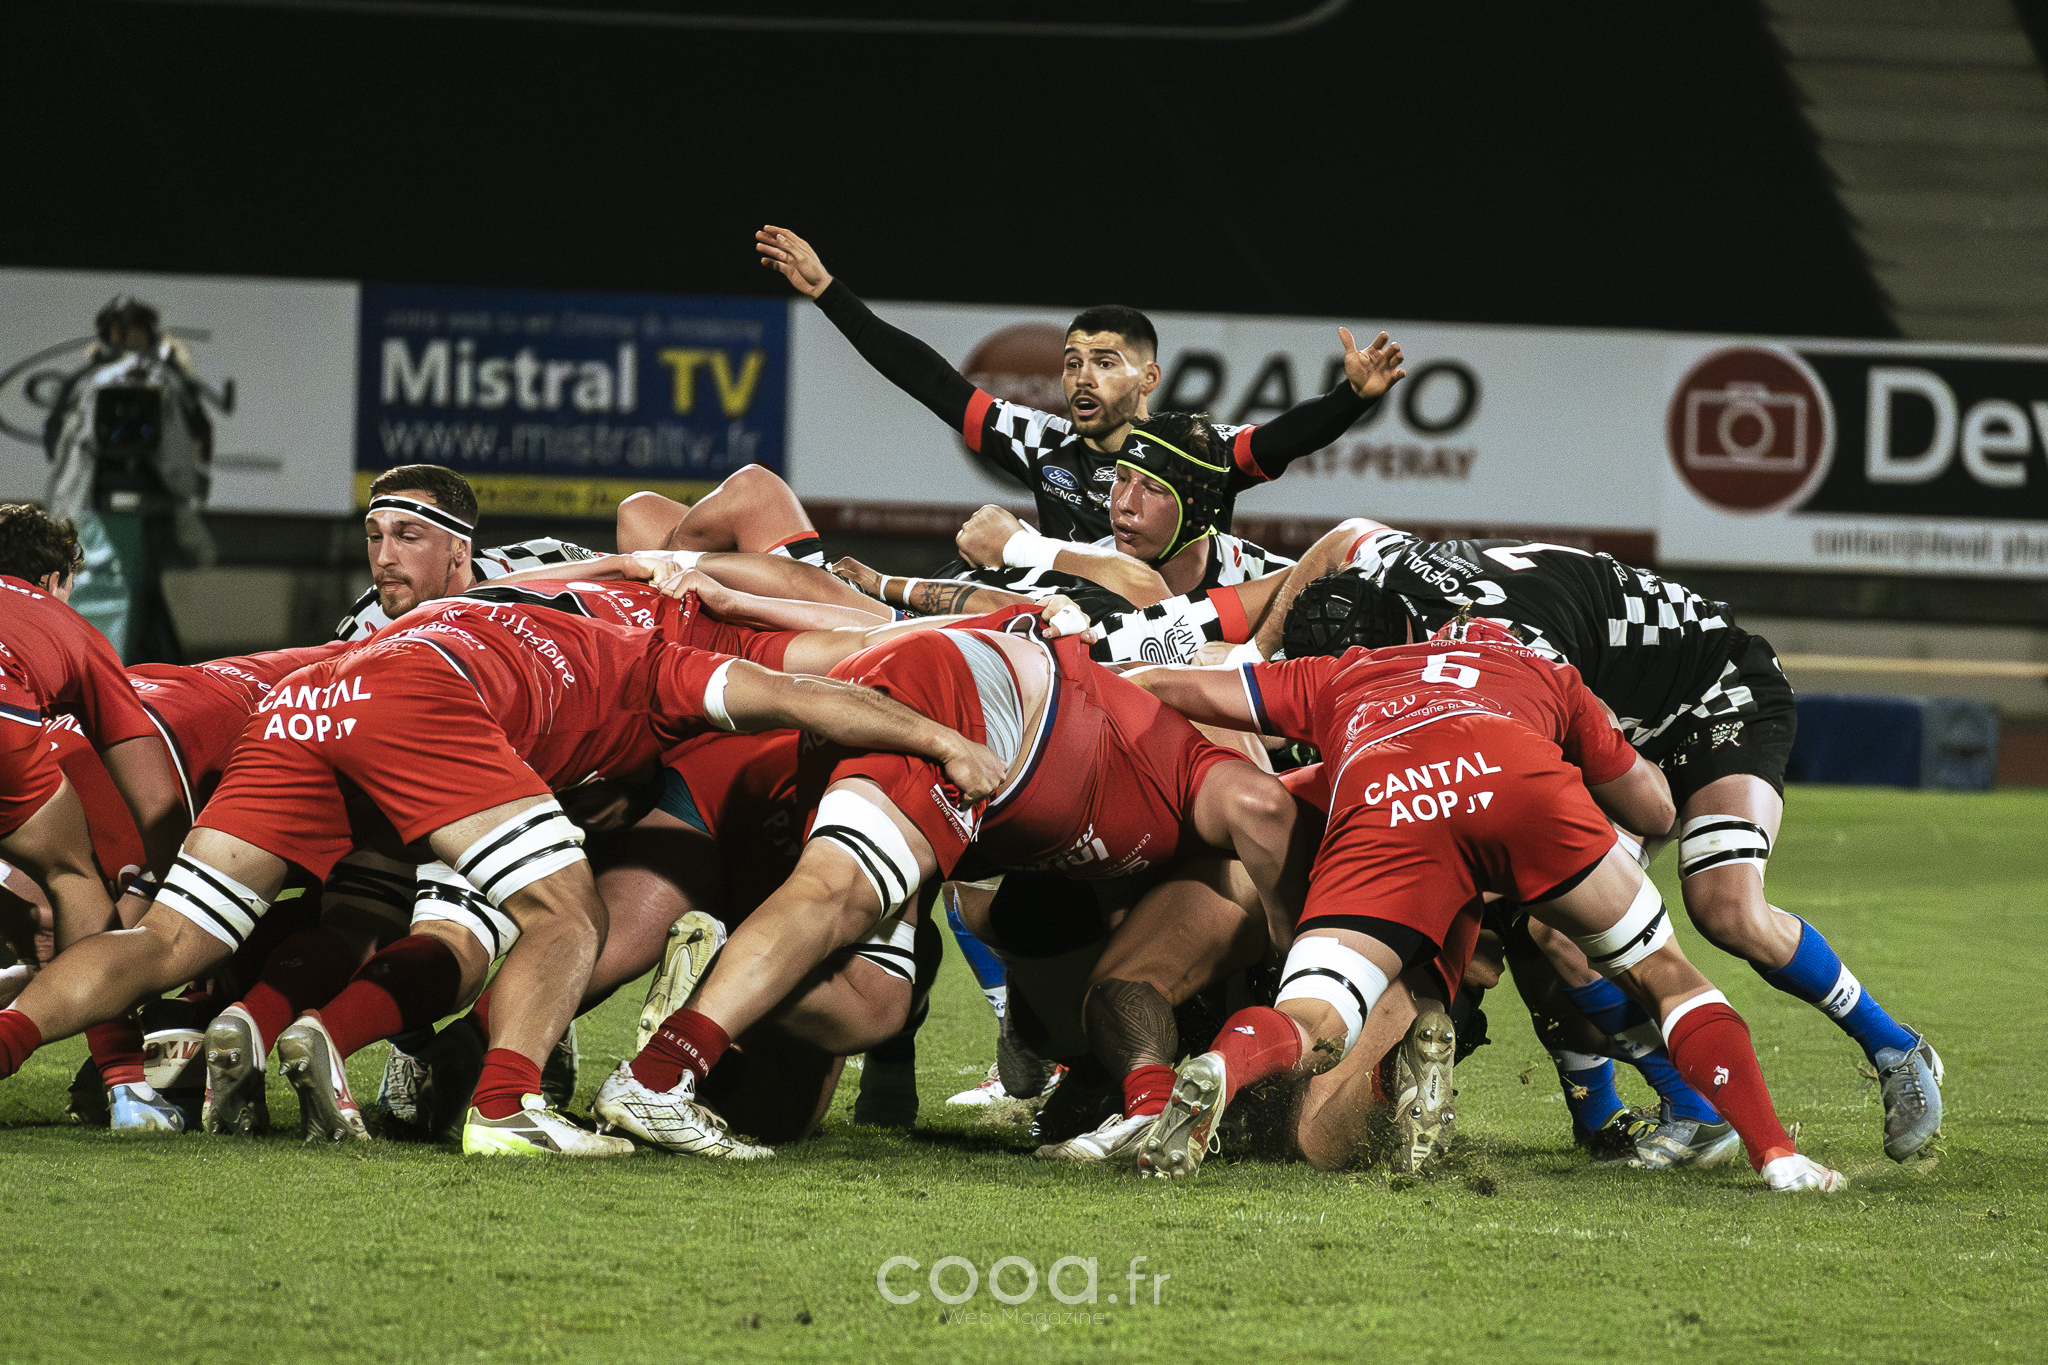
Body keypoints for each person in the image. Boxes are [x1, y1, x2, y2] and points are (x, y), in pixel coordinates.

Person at [0, 590, 1004, 1157]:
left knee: (169, 938)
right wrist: (944, 742)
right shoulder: (657, 667)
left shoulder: (524, 610)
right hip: (425, 698)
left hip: (309, 696)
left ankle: (9, 1040)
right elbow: (802, 694)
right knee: (566, 911)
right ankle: (507, 1106)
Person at [1251, 519, 1945, 1164]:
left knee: (1722, 908)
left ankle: (1893, 1047)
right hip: (1609, 717)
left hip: (1714, 694)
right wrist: (1258, 650)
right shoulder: (1389, 576)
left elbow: (1629, 789)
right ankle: (1634, 1112)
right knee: (1540, 915)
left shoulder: (1506, 652)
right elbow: (1345, 535)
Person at [1125, 617, 1848, 1192]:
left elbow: (1168, 684)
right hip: (1516, 780)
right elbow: (1654, 809)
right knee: (1666, 974)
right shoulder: (1549, 674)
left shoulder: (1348, 670)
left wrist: (1086, 667)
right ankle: (1776, 1153)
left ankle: (1222, 1065)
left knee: (1312, 1016)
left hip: (1387, 801)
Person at [590, 602, 1310, 1159]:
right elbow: (1264, 806)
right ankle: (658, 1074)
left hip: (951, 721)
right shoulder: (1195, 764)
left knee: (875, 1004)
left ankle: (714, 971)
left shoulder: (1132, 826)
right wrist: (1290, 959)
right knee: (840, 896)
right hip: (963, 707)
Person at [755, 225, 1406, 544]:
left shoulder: (1193, 448)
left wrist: (1348, 399)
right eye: (1071, 362)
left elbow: (1280, 440)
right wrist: (829, 292)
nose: (1081, 376)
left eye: (1104, 361)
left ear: (1149, 378)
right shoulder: (1040, 441)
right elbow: (930, 380)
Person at [0, 505, 190, 1128]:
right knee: (71, 875)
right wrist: (186, 902)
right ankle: (128, 1089)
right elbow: (153, 796)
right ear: (54, 579)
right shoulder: (69, 627)